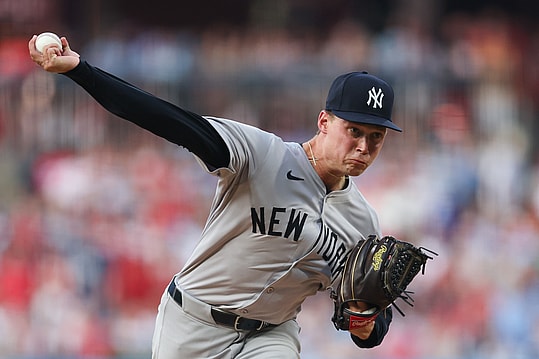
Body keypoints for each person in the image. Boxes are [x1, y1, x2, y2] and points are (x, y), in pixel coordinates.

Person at [29, 34, 402, 358]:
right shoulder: (261, 155)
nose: (363, 146)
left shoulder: (362, 222)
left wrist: (365, 322)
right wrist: (82, 71)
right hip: (193, 322)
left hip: (271, 336)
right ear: (324, 122)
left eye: (375, 137)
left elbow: (370, 323)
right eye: (353, 130)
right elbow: (169, 120)